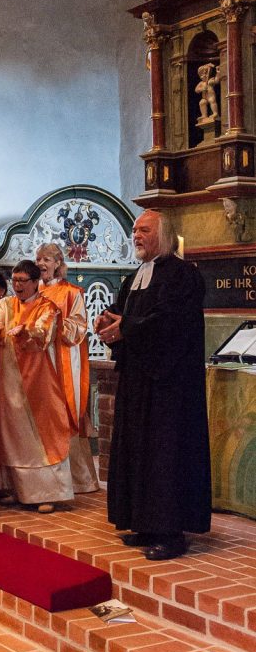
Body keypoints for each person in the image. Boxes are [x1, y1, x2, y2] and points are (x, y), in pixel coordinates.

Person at [95, 210, 211, 561]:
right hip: (138, 380)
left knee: (164, 454)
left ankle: (171, 532)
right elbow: (125, 315)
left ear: (164, 235)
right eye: (134, 230)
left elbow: (171, 324)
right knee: (138, 450)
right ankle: (144, 523)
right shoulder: (136, 276)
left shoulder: (182, 276)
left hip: (168, 385)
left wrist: (126, 326)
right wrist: (107, 321)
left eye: (144, 230)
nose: (136, 235)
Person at [0, 259, 73, 513]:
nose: (17, 286)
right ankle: (18, 490)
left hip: (37, 381)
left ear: (36, 282)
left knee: (41, 436)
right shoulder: (6, 304)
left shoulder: (48, 307)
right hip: (9, 381)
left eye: (22, 281)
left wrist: (26, 332)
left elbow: (43, 335)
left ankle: (47, 493)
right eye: (14, 281)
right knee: (12, 434)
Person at [36, 243, 99, 494]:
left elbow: (79, 327)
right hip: (37, 364)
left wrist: (55, 325)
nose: (42, 264)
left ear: (58, 263)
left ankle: (78, 479)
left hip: (60, 361)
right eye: (39, 259)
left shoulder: (72, 292)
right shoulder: (32, 293)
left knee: (65, 414)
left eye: (47, 260)